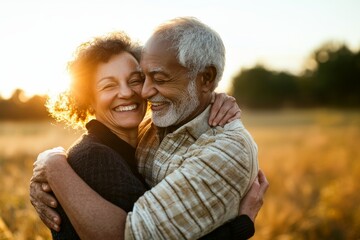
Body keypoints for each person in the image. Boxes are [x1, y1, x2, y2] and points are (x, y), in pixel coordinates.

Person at [31, 17, 267, 239]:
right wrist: (242, 225)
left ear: (205, 79)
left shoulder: (158, 132)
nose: (138, 92)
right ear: (88, 98)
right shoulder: (94, 157)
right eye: (108, 86)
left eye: (136, 79)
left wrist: (212, 97)